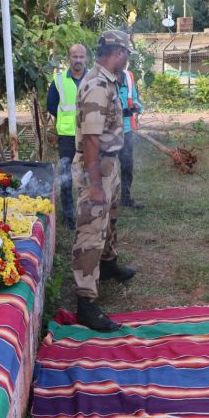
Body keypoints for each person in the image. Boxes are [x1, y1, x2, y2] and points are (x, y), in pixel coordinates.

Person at [72, 31, 137, 332]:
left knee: (109, 220)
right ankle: (85, 301)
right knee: (91, 232)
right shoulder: (98, 85)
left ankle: (108, 265)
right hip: (96, 166)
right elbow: (90, 141)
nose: (126, 60)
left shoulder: (108, 81)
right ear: (117, 52)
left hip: (108, 164)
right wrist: (95, 184)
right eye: (126, 54)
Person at [46, 44, 88, 230]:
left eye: (81, 56)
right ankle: (69, 215)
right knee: (66, 175)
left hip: (90, 135)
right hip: (67, 136)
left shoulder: (94, 79)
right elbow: (51, 106)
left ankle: (88, 211)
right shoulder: (59, 81)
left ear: (86, 58)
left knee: (90, 172)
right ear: (68, 58)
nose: (78, 60)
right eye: (74, 56)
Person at [117, 65, 145, 209]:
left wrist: (137, 105)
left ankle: (126, 198)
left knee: (127, 166)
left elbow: (134, 98)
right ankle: (104, 200)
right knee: (105, 167)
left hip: (126, 130)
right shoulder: (101, 77)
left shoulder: (128, 76)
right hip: (108, 131)